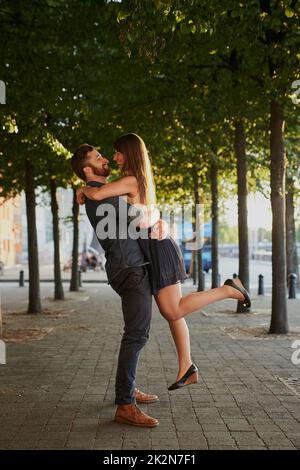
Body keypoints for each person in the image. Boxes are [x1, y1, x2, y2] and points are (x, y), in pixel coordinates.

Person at [77, 134, 251, 391]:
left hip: (158, 249)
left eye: (117, 153)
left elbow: (101, 192)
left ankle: (228, 289)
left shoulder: (130, 180)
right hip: (153, 248)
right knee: (173, 311)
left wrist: (81, 189)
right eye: (108, 154)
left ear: (130, 153)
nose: (114, 158)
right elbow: (141, 212)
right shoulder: (131, 180)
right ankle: (186, 366)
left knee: (173, 310)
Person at [71, 144, 168, 428]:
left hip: (126, 268)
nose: (104, 160)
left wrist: (84, 189)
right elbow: (142, 221)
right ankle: (125, 404)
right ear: (88, 169)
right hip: (130, 270)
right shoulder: (103, 197)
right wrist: (157, 218)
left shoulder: (99, 193)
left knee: (135, 334)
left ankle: (128, 390)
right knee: (136, 335)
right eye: (97, 158)